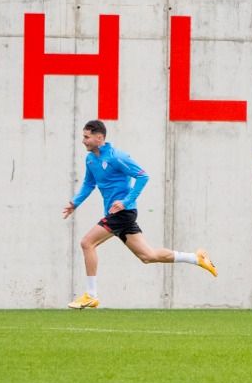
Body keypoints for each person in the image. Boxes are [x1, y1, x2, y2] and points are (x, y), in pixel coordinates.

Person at [63, 119, 215, 309]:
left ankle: (91, 295)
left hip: (123, 213)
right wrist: (74, 203)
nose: (83, 141)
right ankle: (196, 258)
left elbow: (143, 176)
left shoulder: (117, 157)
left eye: (87, 137)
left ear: (99, 137)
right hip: (115, 214)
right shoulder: (91, 159)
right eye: (83, 136)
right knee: (148, 256)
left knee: (87, 242)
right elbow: (88, 183)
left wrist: (125, 201)